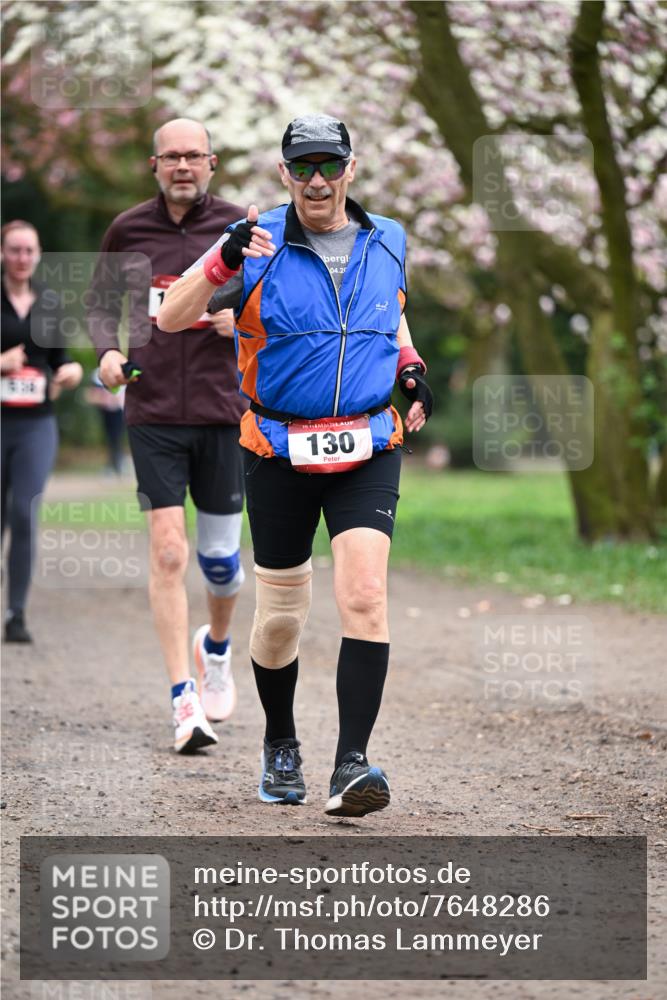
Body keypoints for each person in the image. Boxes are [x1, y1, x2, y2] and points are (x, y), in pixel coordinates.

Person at [158, 114, 434, 817]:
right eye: (302, 167)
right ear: (284, 173)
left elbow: (388, 312)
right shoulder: (253, 243)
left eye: (328, 165)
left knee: (365, 596)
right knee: (281, 615)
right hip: (278, 445)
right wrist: (218, 260)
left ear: (350, 168)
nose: (316, 180)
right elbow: (170, 316)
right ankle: (280, 743)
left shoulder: (388, 239)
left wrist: (408, 365)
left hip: (368, 442)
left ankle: (351, 764)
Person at [87, 118, 247, 754]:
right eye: (171, 156)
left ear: (212, 162)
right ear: (154, 164)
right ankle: (184, 702)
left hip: (223, 410)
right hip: (151, 409)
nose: (183, 166)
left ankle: (216, 648)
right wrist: (105, 352)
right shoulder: (128, 229)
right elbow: (101, 303)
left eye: (194, 156)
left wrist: (240, 322)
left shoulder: (243, 228)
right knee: (170, 554)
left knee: (220, 566)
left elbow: (278, 305)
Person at [1, 220, 83, 643]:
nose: (21, 258)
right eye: (14, 250)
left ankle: (16, 613)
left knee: (23, 513)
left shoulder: (50, 303)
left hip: (36, 424)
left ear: (37, 255)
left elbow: (60, 359)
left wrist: (69, 371)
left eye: (28, 251)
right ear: (2, 253)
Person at [84, 368, 127, 476]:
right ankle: (113, 464)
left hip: (119, 410)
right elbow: (92, 394)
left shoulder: (124, 369)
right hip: (105, 411)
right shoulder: (97, 374)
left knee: (117, 438)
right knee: (110, 438)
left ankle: (118, 463)